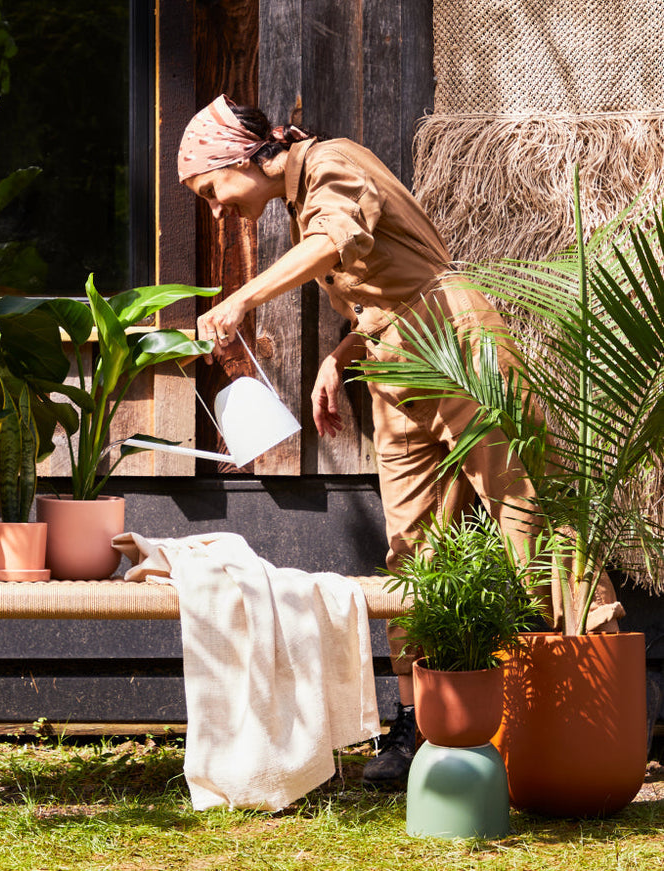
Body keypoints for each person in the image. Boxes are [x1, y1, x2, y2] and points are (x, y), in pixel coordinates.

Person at [178, 94, 624, 789]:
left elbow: (341, 242)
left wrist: (244, 298)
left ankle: (601, 688)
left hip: (453, 341)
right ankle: (422, 721)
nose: (215, 208)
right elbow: (379, 286)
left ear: (241, 159)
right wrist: (341, 354)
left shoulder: (333, 162)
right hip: (393, 366)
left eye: (211, 190)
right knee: (413, 550)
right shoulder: (301, 200)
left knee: (526, 509)